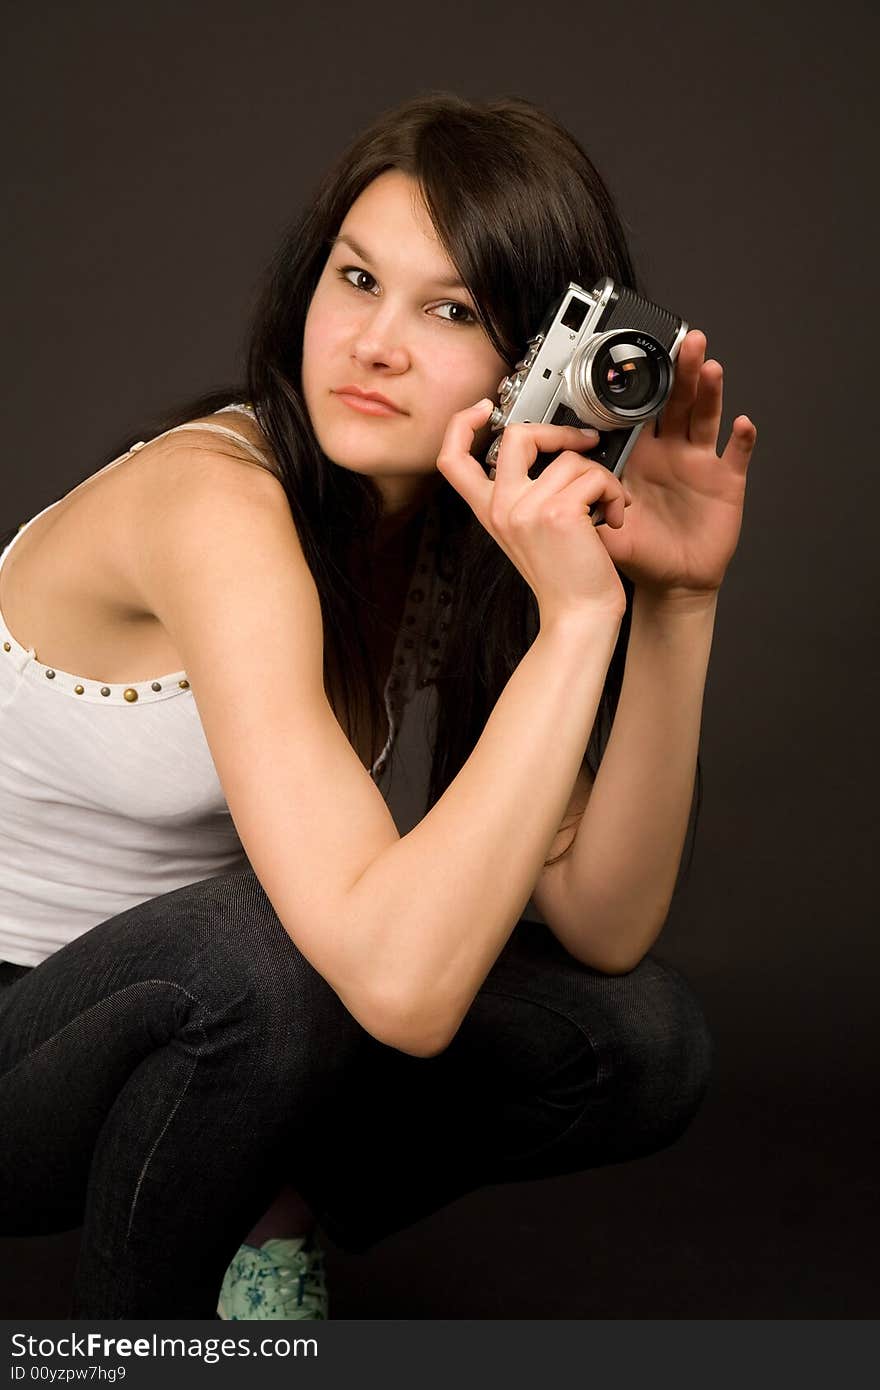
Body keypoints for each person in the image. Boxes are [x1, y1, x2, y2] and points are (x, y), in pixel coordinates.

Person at [0, 92, 757, 1320]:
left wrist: (671, 606)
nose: (372, 343)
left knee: (640, 1035)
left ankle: (266, 1210)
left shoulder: (463, 531)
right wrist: (577, 622)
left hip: (204, 1030)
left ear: (539, 363)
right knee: (270, 952)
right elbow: (397, 987)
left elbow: (601, 921)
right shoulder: (214, 503)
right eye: (356, 280)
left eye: (450, 309)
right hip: (32, 1037)